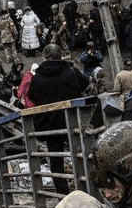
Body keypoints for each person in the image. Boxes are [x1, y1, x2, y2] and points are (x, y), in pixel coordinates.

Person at [29, 43, 88, 195]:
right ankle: (86, 190)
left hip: (50, 124)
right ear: (60, 56)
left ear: (44, 57)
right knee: (81, 154)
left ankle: (63, 195)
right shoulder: (71, 72)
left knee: (56, 162)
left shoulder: (38, 77)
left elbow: (31, 96)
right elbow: (85, 83)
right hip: (73, 121)